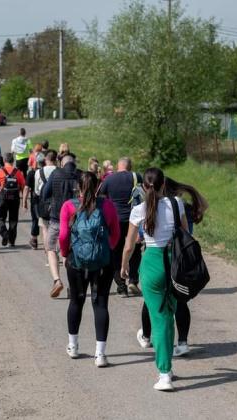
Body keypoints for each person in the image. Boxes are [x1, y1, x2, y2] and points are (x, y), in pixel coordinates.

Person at [121, 168, 187, 391]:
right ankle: (167, 367)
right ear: (163, 184)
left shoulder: (138, 210)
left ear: (144, 187)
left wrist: (123, 267)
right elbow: (186, 234)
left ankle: (164, 373)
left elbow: (129, 245)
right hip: (174, 263)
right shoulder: (176, 203)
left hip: (151, 263)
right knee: (168, 316)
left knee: (158, 319)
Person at [138, 177, 209, 357]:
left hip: (157, 259)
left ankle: (146, 336)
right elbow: (196, 217)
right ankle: (183, 342)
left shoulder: (154, 210)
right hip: (181, 258)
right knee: (181, 300)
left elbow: (142, 235)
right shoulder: (181, 207)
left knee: (152, 301)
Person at [59, 172, 120, 367]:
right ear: (98, 187)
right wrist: (104, 251)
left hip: (76, 261)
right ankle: (100, 354)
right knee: (101, 304)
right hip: (103, 262)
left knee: (76, 301)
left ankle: (73, 346)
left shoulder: (69, 206)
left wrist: (64, 254)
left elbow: (62, 235)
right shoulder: (108, 206)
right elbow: (116, 234)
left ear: (78, 186)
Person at [98, 157, 143, 297]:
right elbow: (141, 194)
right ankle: (133, 281)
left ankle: (121, 286)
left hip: (115, 219)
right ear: (130, 167)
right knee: (134, 249)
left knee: (116, 252)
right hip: (133, 219)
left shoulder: (109, 179)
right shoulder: (136, 177)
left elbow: (101, 197)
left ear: (117, 166)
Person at [42, 153, 81, 298]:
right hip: (77, 219)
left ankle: (57, 280)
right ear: (74, 164)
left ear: (62, 164)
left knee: (51, 248)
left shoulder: (56, 173)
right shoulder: (81, 175)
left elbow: (45, 193)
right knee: (70, 252)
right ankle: (72, 286)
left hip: (57, 218)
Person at [0, 153, 25, 247]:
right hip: (15, 198)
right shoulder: (18, 172)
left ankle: (4, 234)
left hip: (3, 198)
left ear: (4, 160)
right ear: (13, 161)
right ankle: (12, 241)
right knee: (13, 219)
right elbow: (23, 185)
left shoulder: (0, 171)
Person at [35, 150, 58, 269]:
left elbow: (37, 191)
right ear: (56, 160)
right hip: (57, 202)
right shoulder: (58, 171)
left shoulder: (39, 172)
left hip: (44, 202)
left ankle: (48, 255)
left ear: (46, 160)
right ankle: (57, 252)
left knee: (45, 229)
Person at [23, 152, 45, 250]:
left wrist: (24, 201)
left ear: (36, 162)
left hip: (35, 199)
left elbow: (26, 188)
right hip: (46, 199)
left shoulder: (31, 173)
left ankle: (34, 239)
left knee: (35, 219)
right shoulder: (48, 172)